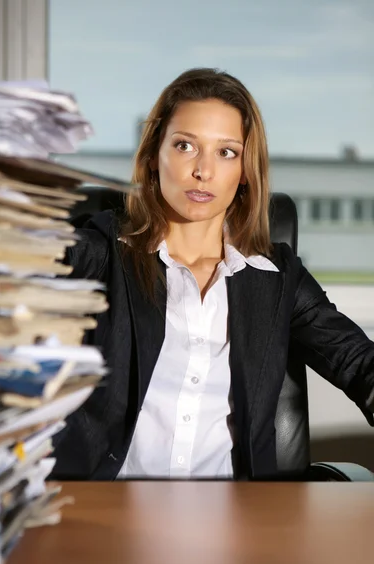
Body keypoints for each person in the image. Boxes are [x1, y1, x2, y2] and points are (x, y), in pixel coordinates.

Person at [52, 67, 374, 481]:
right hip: (106, 515)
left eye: (226, 152)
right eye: (185, 145)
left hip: (233, 521)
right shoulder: (102, 252)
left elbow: (359, 363)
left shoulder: (276, 278)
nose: (204, 170)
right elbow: (16, 266)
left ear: (244, 171)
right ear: (154, 156)